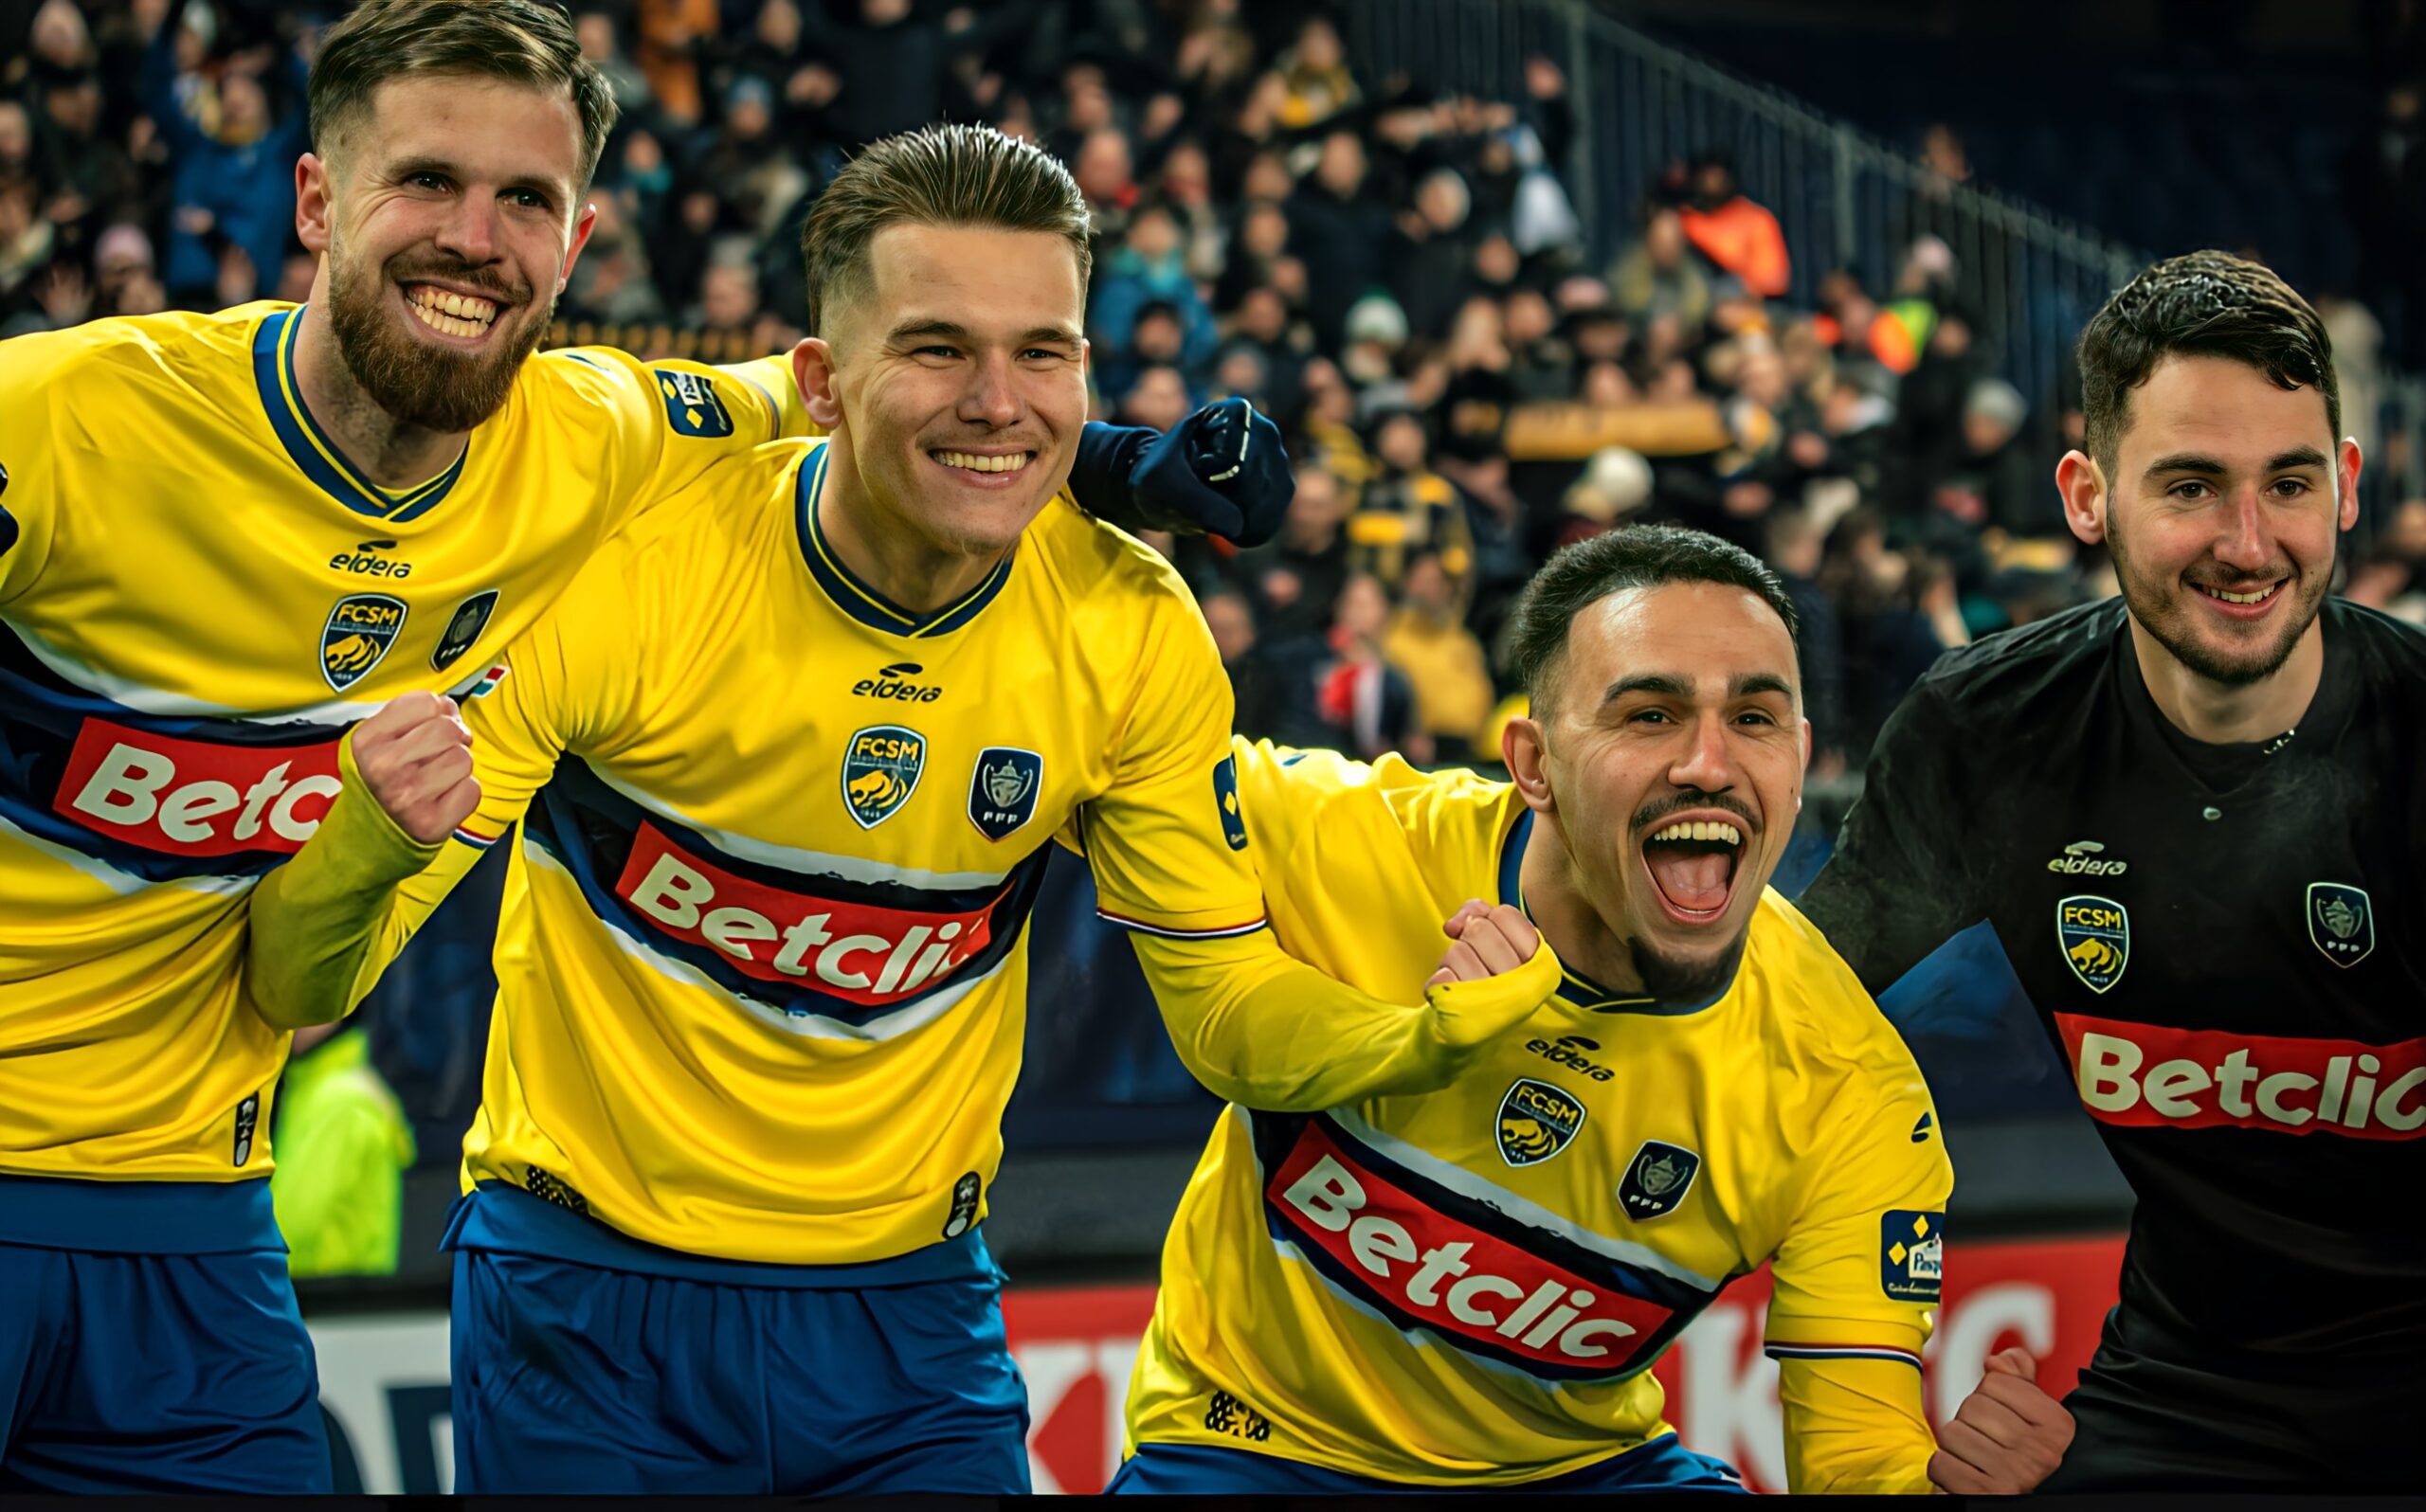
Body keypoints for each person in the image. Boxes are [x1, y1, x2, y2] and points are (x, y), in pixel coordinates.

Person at [0, 0, 1282, 1490]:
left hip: (186, 1207)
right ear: (314, 200)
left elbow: (885, 398)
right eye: (425, 182)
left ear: (579, 237)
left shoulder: (605, 438)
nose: (474, 238)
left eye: (525, 201)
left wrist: (1123, 462)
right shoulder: (65, 424)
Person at [240, 123, 1539, 1496]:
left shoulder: (1133, 628)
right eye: (936, 347)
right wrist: (373, 838)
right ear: (820, 379)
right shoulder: (640, 564)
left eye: (1044, 352)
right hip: (589, 1308)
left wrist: (1415, 1038)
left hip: (912, 1329)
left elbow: (1224, 1013)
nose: (1001, 401)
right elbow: (308, 976)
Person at [1115, 527, 2067, 1494]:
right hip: (1249, 1445)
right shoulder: (1336, 834)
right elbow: (1093, 757)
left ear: (1800, 758)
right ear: (1532, 764)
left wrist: (1947, 1495)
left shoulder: (1849, 1087)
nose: (1708, 762)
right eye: (1649, 715)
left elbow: (1856, 1462)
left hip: (1576, 1471)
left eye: (1754, 718)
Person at [1798, 251, 2426, 1492]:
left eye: (2288, 484)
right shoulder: (1989, 733)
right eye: (2191, 485)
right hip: (2184, 1390)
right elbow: (1785, 1022)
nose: (2249, 544)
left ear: (2345, 488)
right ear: (2087, 496)